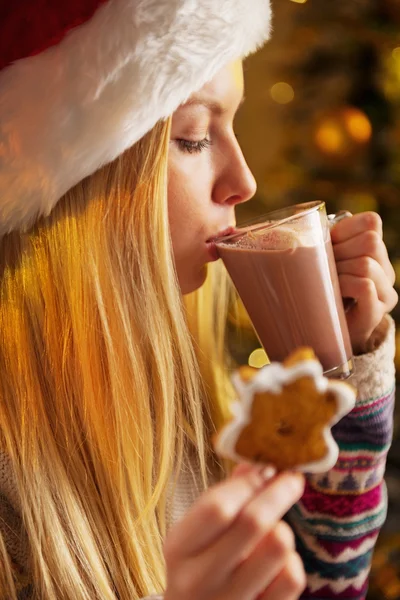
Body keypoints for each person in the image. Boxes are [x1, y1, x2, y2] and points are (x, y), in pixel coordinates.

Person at [0, 1, 397, 599]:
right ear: (79, 180)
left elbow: (323, 584)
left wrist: (340, 367)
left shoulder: (198, 414)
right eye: (191, 138)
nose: (245, 181)